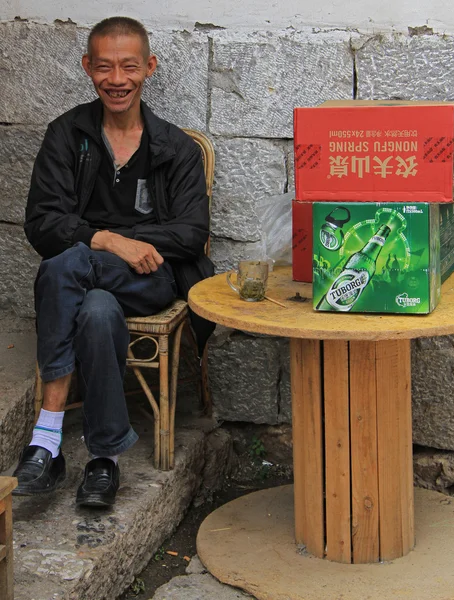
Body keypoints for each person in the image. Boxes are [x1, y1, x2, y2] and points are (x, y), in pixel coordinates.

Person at [13, 16, 214, 507]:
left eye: (128, 66)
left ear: (149, 67)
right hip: (96, 282)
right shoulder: (68, 134)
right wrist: (109, 241)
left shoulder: (175, 148)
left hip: (153, 277)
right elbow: (41, 223)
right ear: (87, 68)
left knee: (62, 268)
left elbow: (191, 233)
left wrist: (119, 244)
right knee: (97, 310)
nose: (116, 79)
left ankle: (47, 434)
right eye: (104, 67)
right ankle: (105, 461)